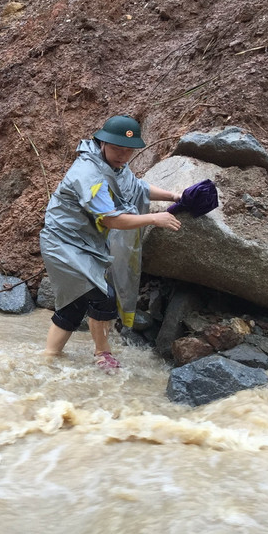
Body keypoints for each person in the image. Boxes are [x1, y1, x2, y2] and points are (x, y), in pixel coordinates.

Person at [39, 115, 182, 370]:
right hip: (63, 242)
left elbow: (137, 187)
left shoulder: (115, 167)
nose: (123, 155)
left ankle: (48, 358)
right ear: (102, 142)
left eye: (129, 151)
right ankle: (102, 353)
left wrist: (173, 194)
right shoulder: (88, 173)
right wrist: (153, 218)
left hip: (85, 242)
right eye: (117, 149)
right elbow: (110, 219)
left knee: (76, 302)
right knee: (104, 297)